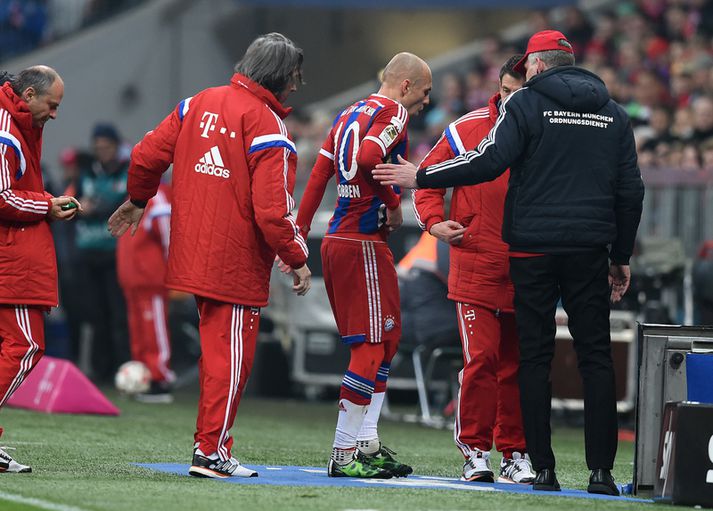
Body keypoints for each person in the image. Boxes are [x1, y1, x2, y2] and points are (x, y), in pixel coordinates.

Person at [373, 30, 644, 496]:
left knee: (530, 360)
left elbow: (490, 161)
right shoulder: (612, 114)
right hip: (568, 251)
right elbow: (630, 190)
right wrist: (619, 255)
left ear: (535, 68)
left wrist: (422, 175)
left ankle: (535, 464)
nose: (509, 93)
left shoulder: (527, 107)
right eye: (503, 88)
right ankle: (591, 470)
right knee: (584, 358)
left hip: (528, 252)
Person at [107, 33, 312, 479]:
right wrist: (297, 256)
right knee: (230, 360)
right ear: (279, 75)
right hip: (235, 264)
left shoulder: (195, 103)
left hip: (191, 256)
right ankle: (211, 452)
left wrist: (139, 198)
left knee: (218, 355)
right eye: (294, 76)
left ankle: (210, 447)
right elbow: (273, 212)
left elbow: (145, 155)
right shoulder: (268, 126)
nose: (296, 86)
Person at [295, 52, 432, 479]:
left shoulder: (348, 113)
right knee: (372, 347)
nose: (427, 102)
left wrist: (299, 235)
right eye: (425, 92)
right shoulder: (394, 111)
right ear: (406, 85)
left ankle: (367, 442)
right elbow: (371, 156)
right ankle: (343, 453)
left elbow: (318, 177)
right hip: (362, 243)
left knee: (387, 341)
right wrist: (393, 203)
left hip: (341, 241)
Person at [413, 55, 534, 485]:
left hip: (526, 267)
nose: (510, 99)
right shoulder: (466, 129)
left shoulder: (546, 131)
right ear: (497, 88)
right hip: (476, 264)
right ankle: (475, 452)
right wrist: (433, 222)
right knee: (481, 360)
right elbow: (426, 177)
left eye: (519, 92)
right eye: (505, 91)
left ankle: (516, 453)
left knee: (518, 367)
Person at [0, 66, 81, 473]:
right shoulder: (6, 130)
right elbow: (0, 196)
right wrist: (45, 205)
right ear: (29, 94)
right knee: (26, 345)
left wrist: (45, 200)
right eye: (52, 105)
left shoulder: (17, 123)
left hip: (12, 253)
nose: (55, 114)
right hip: (10, 257)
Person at [75, 122, 130, 382]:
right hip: (88, 252)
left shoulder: (126, 172)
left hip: (115, 252)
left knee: (118, 313)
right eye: (98, 148)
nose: (102, 152)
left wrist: (96, 206)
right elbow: (71, 203)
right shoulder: (87, 173)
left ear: (116, 146)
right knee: (95, 314)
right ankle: (100, 370)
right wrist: (81, 206)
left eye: (106, 147)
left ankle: (122, 367)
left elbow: (120, 205)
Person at [116, 181, 174, 403]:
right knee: (140, 334)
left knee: (154, 332)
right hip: (133, 280)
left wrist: (175, 270)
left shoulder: (158, 197)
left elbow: (169, 235)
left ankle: (160, 379)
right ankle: (144, 377)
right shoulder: (136, 196)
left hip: (151, 278)